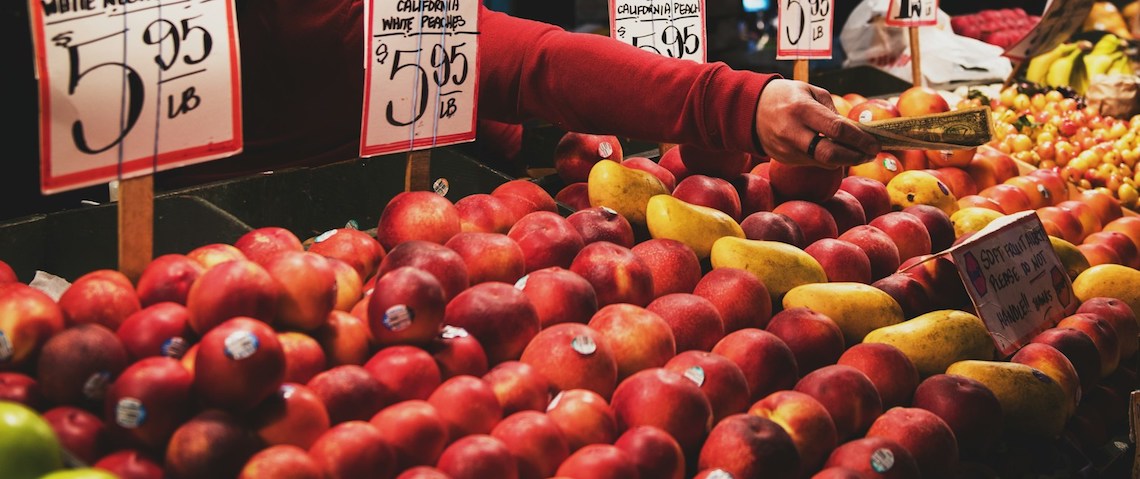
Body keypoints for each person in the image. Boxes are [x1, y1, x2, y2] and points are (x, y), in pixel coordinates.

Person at [155, 2, 878, 188]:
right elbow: (535, 63)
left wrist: (520, 140)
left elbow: (411, 84)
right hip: (277, 259)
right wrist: (738, 105)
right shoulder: (331, 12)